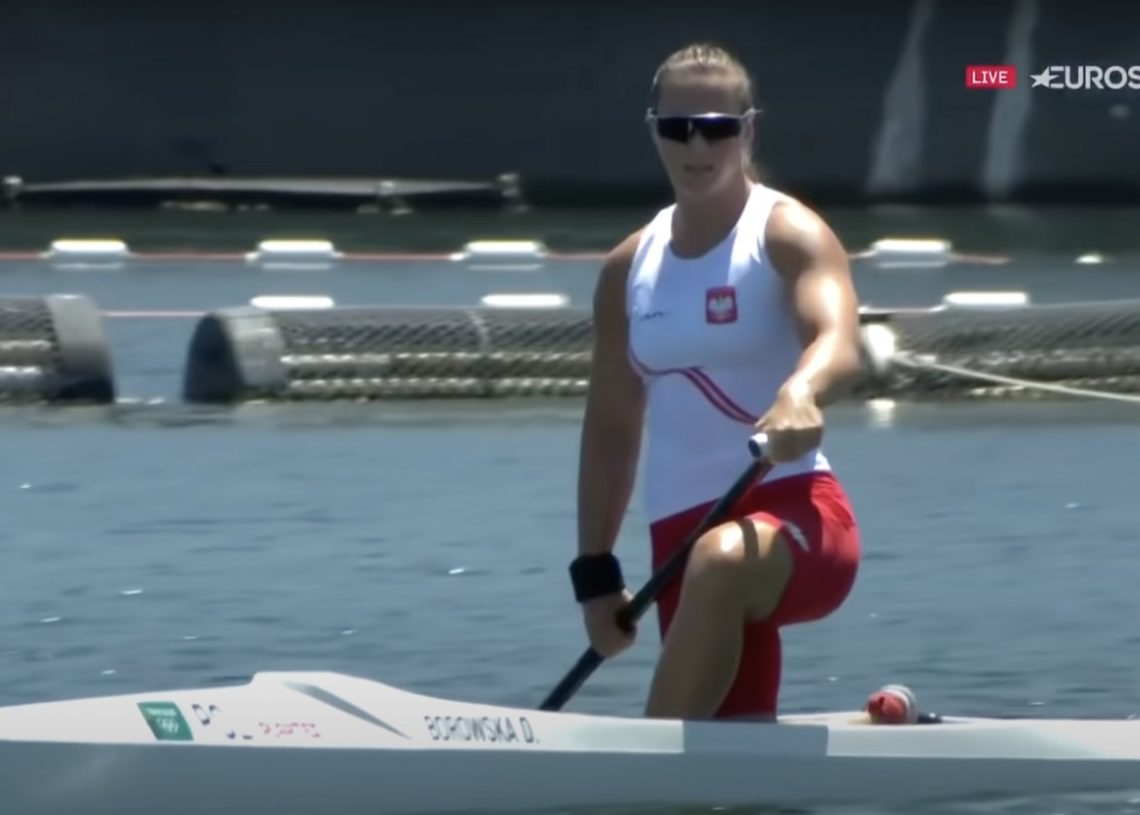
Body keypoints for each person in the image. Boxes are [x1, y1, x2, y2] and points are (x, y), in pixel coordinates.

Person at [568, 42, 864, 721]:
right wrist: (595, 574)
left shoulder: (787, 234)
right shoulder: (627, 269)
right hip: (680, 538)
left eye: (717, 127)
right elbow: (610, 429)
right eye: (678, 128)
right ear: (655, 133)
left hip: (798, 518)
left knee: (720, 563)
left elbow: (838, 339)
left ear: (748, 131)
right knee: (726, 739)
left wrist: (801, 391)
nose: (696, 144)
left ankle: (645, 772)